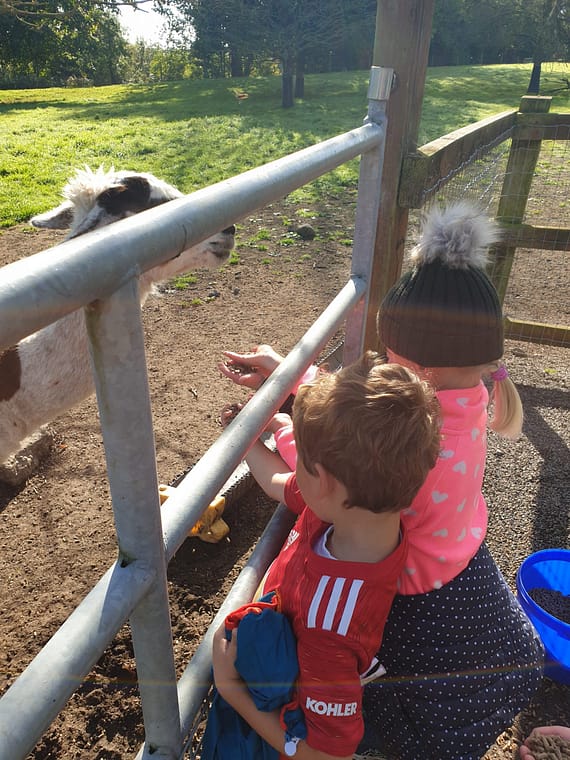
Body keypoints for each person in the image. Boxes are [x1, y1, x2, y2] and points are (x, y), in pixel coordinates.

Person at [218, 202, 545, 760]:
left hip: (416, 596)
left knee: (403, 707)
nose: (382, 363)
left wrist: (280, 432)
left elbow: (336, 463)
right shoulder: (467, 399)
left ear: (419, 370)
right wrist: (295, 376)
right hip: (461, 561)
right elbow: (365, 421)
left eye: (389, 355)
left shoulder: (402, 456)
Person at [210, 352, 442, 760]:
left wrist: (231, 688)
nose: (294, 465)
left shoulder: (331, 626)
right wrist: (243, 435)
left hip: (274, 716)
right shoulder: (365, 511)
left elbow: (328, 754)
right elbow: (278, 482)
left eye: (300, 458)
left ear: (324, 482)